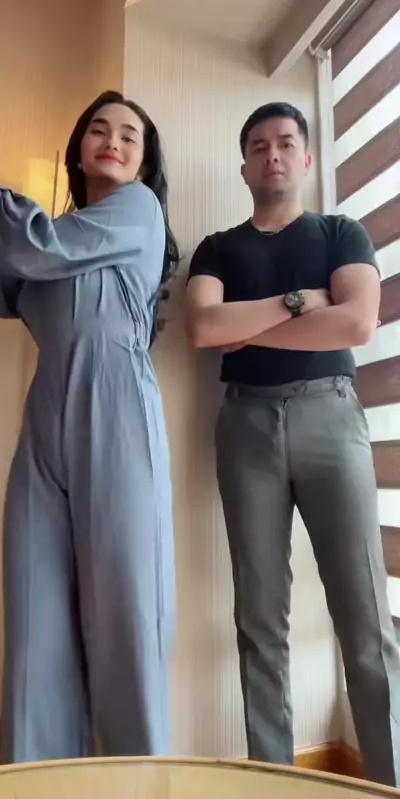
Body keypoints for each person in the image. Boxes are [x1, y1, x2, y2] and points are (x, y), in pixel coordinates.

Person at [0, 89, 179, 763]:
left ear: (144, 162)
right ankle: (37, 779)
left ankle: (138, 781)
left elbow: (32, 247)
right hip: (45, 423)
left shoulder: (138, 211)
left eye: (128, 134)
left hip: (118, 414)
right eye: (99, 129)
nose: (112, 140)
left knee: (126, 620)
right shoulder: (55, 238)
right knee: (35, 625)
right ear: (79, 150)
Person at [186, 101, 400, 787]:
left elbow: (358, 322)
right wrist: (303, 302)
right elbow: (203, 328)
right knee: (258, 621)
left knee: (365, 618)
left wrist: (247, 327)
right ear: (244, 166)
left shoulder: (341, 232)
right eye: (258, 146)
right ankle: (274, 785)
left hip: (331, 417)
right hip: (244, 424)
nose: (272, 154)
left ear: (306, 159)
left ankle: (390, 780)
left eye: (284, 143)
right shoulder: (217, 248)